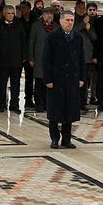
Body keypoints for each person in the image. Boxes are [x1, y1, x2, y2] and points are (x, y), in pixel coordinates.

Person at [42, 11, 85, 149]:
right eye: (67, 20)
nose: (70, 22)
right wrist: (48, 79)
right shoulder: (52, 37)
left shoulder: (77, 37)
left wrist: (82, 77)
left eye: (72, 20)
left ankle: (67, 139)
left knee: (69, 110)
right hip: (56, 79)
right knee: (55, 111)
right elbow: (46, 59)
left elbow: (81, 58)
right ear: (60, 21)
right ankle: (54, 138)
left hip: (72, 79)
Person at [0, 4, 27, 113]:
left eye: (12, 13)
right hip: (2, 60)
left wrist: (24, 56)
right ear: (4, 14)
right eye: (8, 13)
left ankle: (14, 104)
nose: (11, 15)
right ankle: (2, 104)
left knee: (15, 84)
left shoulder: (19, 24)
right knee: (2, 84)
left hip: (16, 60)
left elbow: (24, 41)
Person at [29, 8, 56, 113]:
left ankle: (47, 103)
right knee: (39, 83)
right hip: (39, 58)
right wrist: (31, 58)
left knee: (49, 82)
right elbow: (31, 42)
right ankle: (39, 104)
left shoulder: (56, 26)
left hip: (52, 60)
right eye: (47, 13)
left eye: (51, 14)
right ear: (43, 15)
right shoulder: (36, 26)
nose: (50, 15)